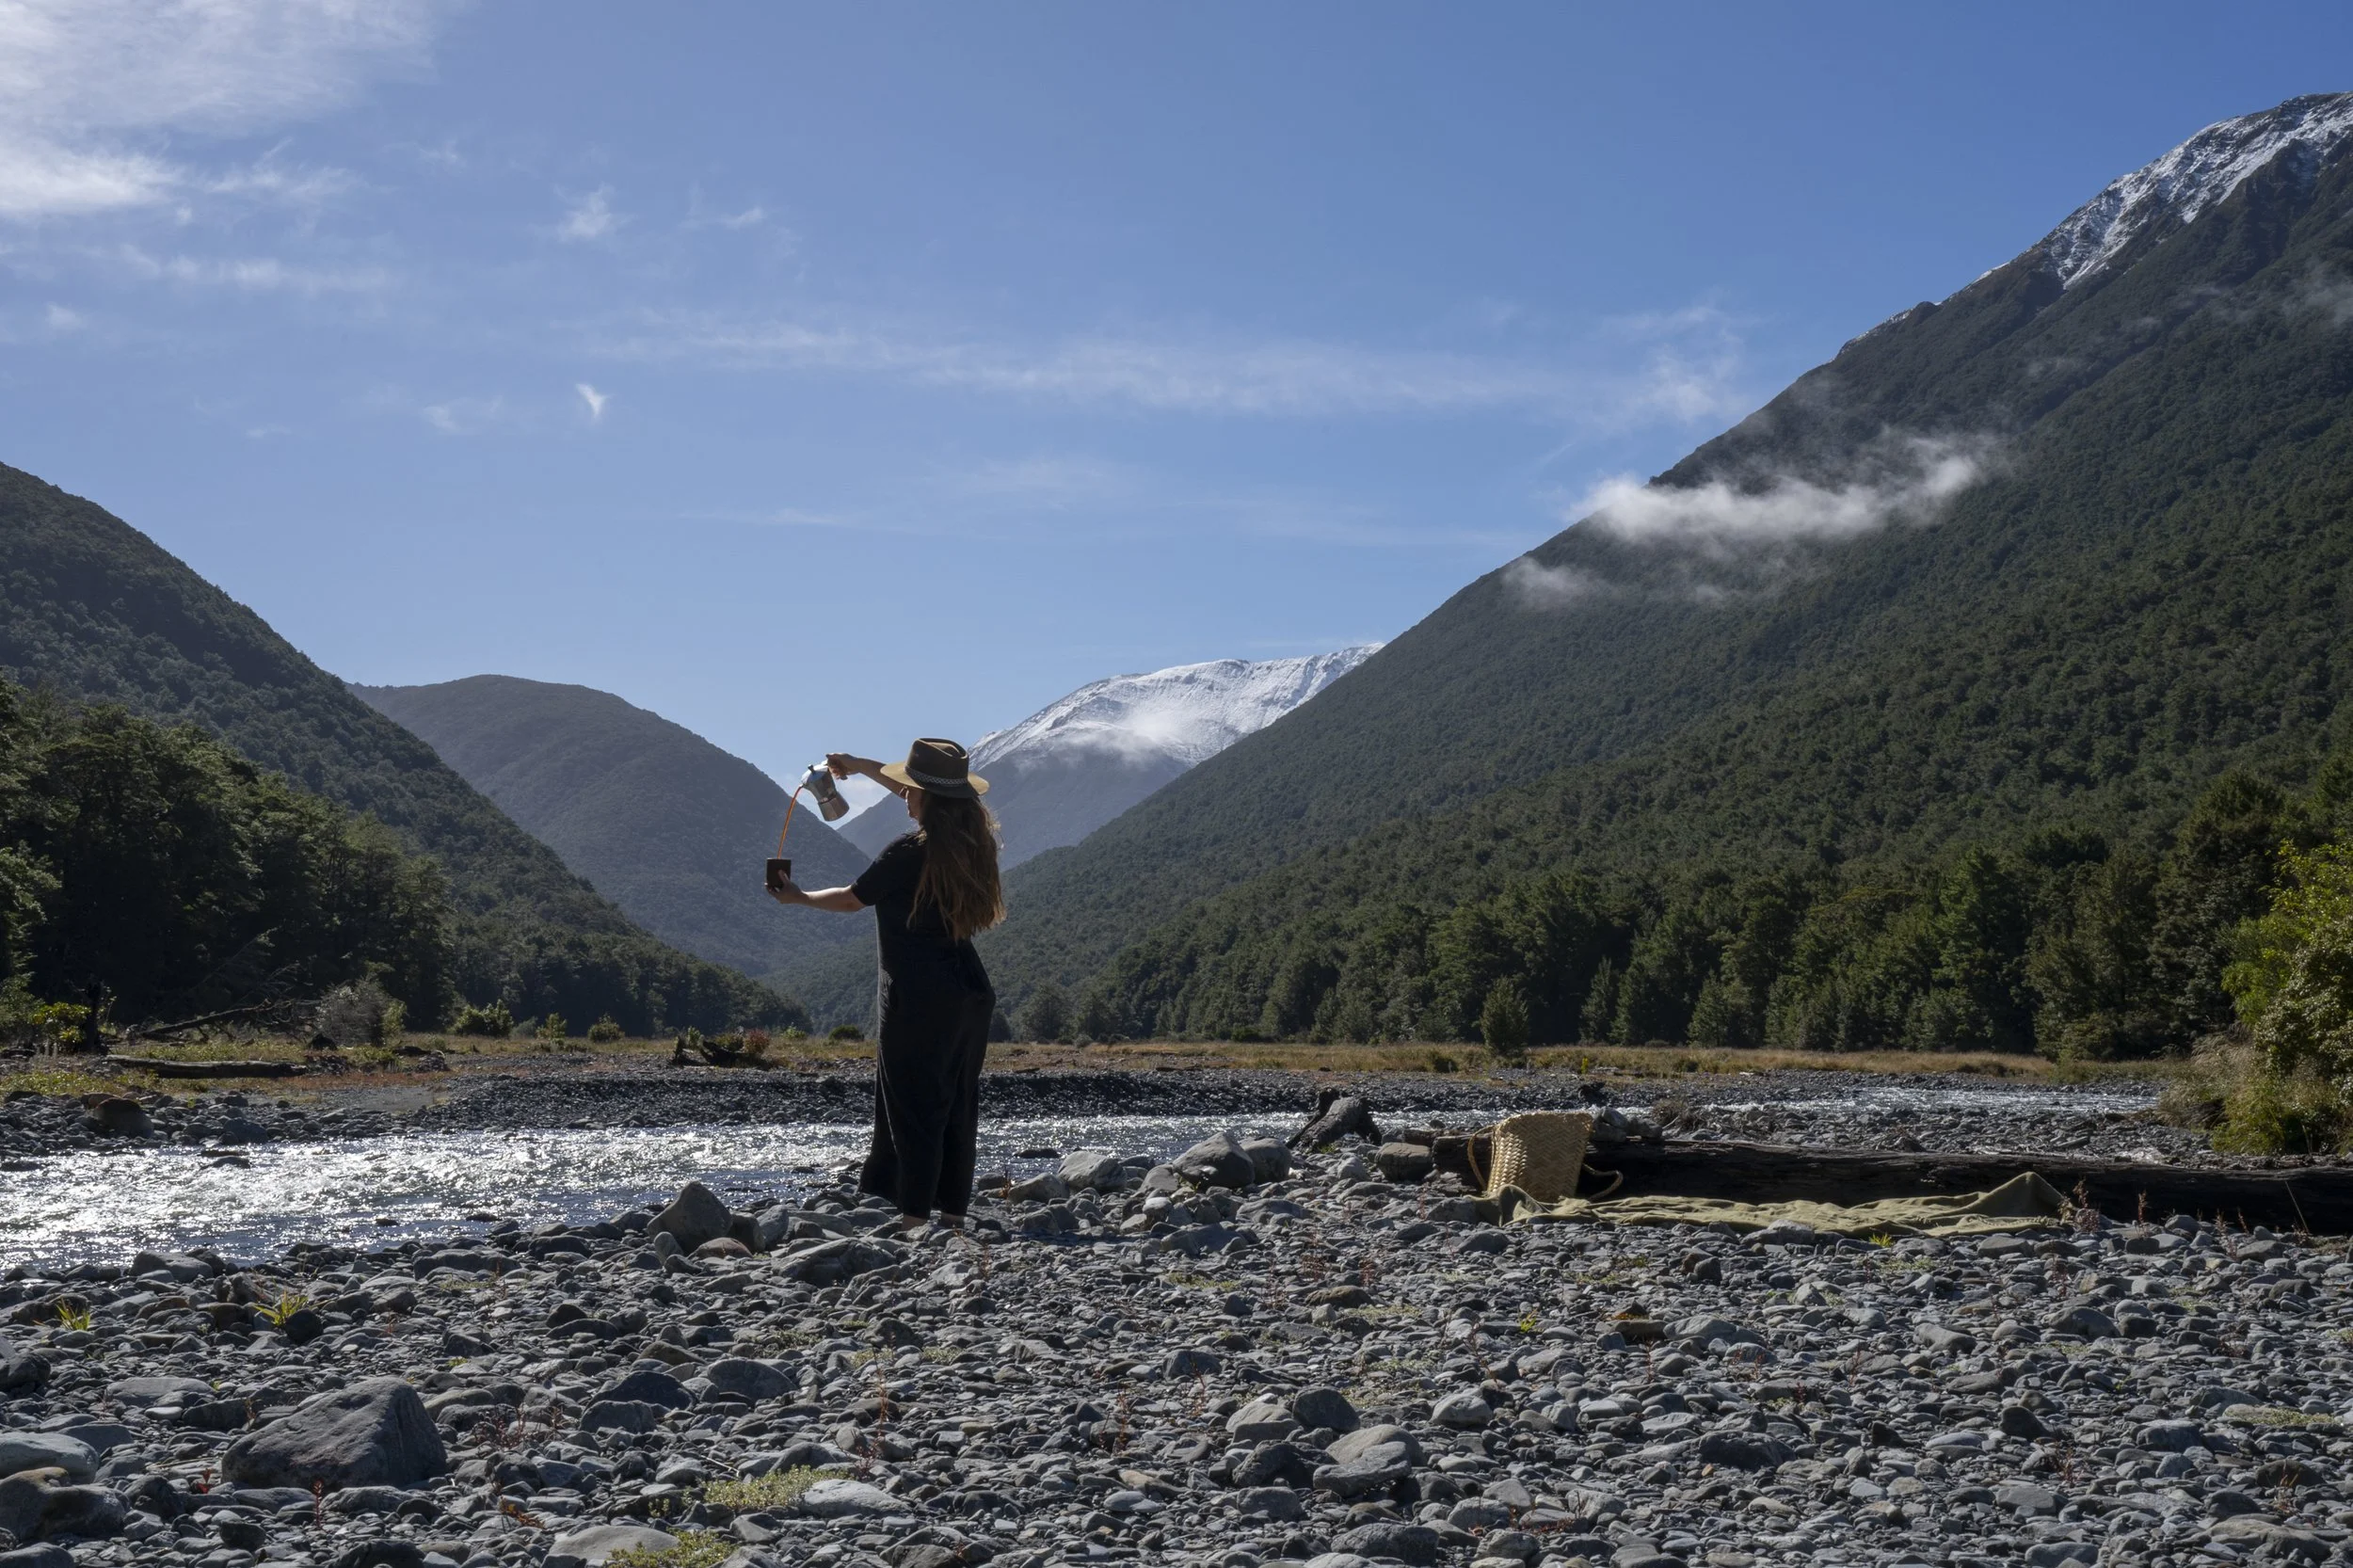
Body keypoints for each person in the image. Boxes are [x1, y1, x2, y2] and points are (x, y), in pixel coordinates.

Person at [766, 738, 1002, 1232]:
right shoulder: (970, 843)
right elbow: (912, 792)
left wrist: (797, 897)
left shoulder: (909, 851)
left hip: (919, 993)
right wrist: (857, 765)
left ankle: (914, 1219)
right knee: (957, 1102)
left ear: (929, 799)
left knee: (914, 1103)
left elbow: (852, 900)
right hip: (969, 990)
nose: (904, 796)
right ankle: (952, 1218)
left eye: (911, 790)